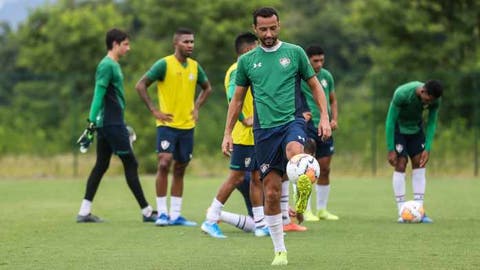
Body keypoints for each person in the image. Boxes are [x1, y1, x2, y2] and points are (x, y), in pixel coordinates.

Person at [221, 7, 331, 266]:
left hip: (291, 121)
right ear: (255, 30)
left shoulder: (295, 53)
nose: (269, 34)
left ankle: (301, 194)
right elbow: (236, 100)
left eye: (273, 28)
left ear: (279, 26)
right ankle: (280, 250)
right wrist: (227, 133)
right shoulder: (247, 62)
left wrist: (324, 117)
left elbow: (315, 86)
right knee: (270, 192)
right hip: (264, 131)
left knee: (296, 152)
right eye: (263, 29)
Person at [76, 28, 156, 223]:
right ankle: (147, 211)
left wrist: (98, 123)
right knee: (131, 163)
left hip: (110, 123)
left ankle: (84, 212)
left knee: (101, 165)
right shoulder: (106, 66)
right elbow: (98, 94)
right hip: (111, 123)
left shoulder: (113, 65)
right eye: (125, 44)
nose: (129, 48)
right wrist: (91, 122)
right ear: (115, 44)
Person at [135, 28, 212, 227]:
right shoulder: (164, 64)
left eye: (192, 42)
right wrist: (154, 110)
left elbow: (207, 88)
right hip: (167, 125)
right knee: (163, 162)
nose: (190, 45)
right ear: (175, 44)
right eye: (186, 42)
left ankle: (175, 215)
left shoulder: (195, 67)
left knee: (180, 168)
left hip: (187, 126)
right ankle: (162, 213)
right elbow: (141, 85)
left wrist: (196, 107)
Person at [201, 32, 269, 238]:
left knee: (256, 177)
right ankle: (211, 219)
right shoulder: (237, 69)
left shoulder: (251, 68)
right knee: (236, 177)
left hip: (256, 135)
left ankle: (260, 224)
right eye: (256, 48)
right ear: (248, 50)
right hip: (243, 135)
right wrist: (242, 119)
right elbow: (233, 96)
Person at [385, 80, 443, 223]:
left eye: (432, 101)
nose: (429, 103)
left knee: (420, 163)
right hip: (399, 130)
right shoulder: (402, 94)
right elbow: (390, 121)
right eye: (427, 100)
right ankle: (402, 212)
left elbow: (431, 123)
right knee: (401, 163)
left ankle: (420, 211)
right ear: (423, 91)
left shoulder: (435, 100)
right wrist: (390, 149)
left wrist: (427, 148)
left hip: (416, 131)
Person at [299, 45, 339, 221]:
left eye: (322, 60)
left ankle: (322, 209)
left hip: (325, 127)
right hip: (307, 126)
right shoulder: (299, 76)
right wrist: (299, 113)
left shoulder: (327, 76)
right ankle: (306, 210)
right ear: (308, 60)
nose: (319, 64)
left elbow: (333, 100)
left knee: (325, 168)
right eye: (315, 61)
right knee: (305, 169)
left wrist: (334, 119)